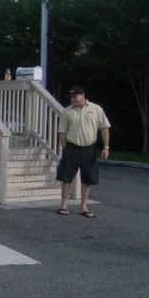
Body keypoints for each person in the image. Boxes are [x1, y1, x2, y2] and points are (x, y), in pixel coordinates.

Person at [56, 85, 111, 218]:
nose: (73, 99)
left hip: (89, 148)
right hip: (72, 147)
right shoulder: (67, 111)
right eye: (71, 97)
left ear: (83, 95)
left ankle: (84, 207)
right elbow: (62, 132)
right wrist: (65, 148)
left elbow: (104, 128)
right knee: (66, 178)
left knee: (87, 179)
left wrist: (106, 146)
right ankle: (63, 205)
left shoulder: (96, 109)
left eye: (75, 96)